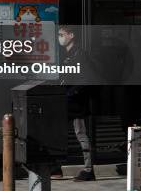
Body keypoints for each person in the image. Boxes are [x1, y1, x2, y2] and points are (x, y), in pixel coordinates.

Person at [59, 25, 95, 182]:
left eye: (62, 34)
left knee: (80, 133)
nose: (59, 38)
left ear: (71, 35)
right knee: (57, 132)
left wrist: (70, 92)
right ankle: (55, 166)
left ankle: (88, 169)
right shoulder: (66, 54)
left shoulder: (80, 54)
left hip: (76, 102)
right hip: (66, 100)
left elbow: (86, 79)